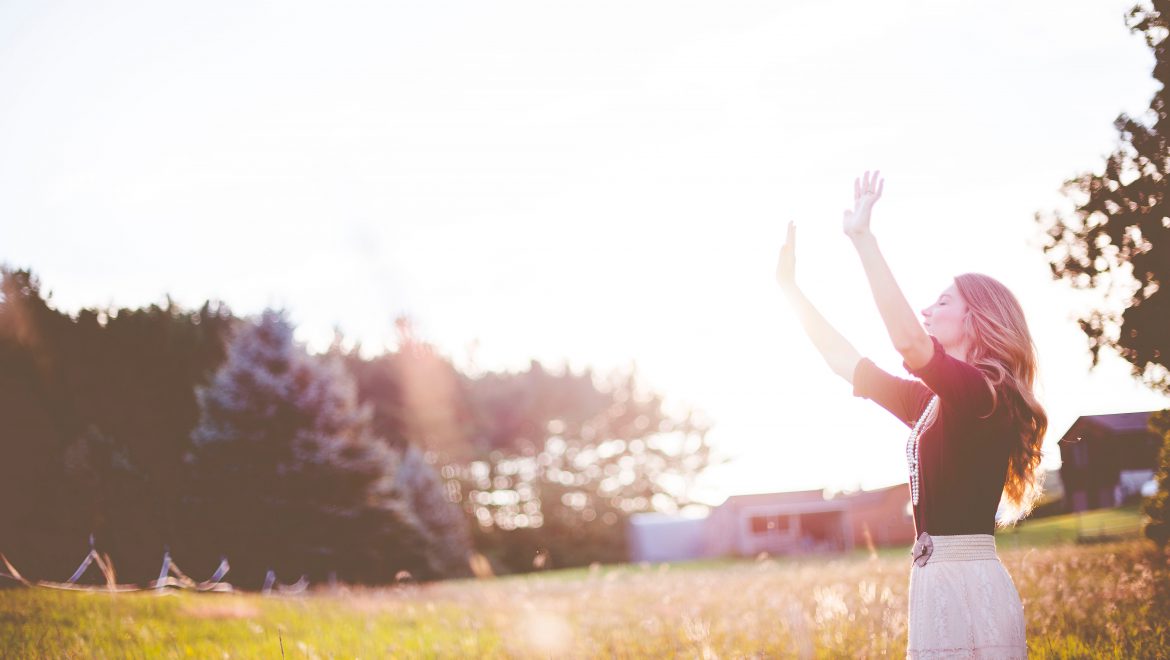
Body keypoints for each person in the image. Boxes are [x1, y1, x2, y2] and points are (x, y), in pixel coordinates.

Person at [775, 171, 1045, 659]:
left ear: (976, 318)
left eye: (943, 302)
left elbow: (908, 343)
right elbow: (847, 363)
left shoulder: (986, 396)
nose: (927, 310)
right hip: (934, 582)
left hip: (969, 584)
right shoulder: (933, 403)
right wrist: (791, 292)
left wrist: (863, 240)